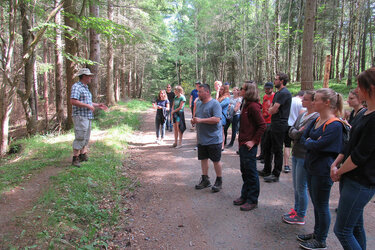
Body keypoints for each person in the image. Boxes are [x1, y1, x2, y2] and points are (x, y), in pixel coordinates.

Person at [331, 67, 375, 250]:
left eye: (359, 86)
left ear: (370, 88)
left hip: (361, 182)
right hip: (349, 177)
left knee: (342, 230)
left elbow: (359, 155)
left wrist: (339, 171)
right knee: (355, 225)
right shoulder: (363, 113)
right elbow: (350, 145)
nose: (356, 90)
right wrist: (336, 163)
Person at [298, 88, 344, 250]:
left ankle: (321, 240)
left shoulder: (335, 125)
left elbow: (321, 145)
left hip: (322, 171)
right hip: (311, 167)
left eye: (316, 99)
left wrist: (311, 142)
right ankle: (316, 233)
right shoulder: (316, 120)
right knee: (316, 204)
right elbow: (304, 138)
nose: (313, 102)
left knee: (321, 205)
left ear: (327, 103)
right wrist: (312, 142)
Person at [282, 91, 319, 225]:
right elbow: (292, 130)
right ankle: (296, 210)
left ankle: (301, 215)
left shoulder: (315, 117)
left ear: (313, 102)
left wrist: (296, 132)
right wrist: (296, 132)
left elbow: (301, 134)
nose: (302, 101)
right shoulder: (303, 114)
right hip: (296, 152)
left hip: (304, 154)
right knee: (296, 185)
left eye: (306, 100)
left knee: (301, 186)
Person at [233, 81, 266, 211]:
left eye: (242, 88)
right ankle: (245, 195)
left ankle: (252, 200)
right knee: (245, 171)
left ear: (248, 91)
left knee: (251, 172)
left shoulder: (253, 106)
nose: (240, 90)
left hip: (249, 146)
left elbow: (262, 125)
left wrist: (253, 141)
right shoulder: (245, 105)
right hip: (243, 144)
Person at [70, 68, 108, 167]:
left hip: (87, 116)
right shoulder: (77, 87)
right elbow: (73, 101)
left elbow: (87, 102)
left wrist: (97, 105)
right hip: (80, 116)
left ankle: (83, 154)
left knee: (86, 136)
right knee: (80, 136)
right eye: (88, 76)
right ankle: (75, 158)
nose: (90, 78)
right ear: (83, 76)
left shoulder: (85, 88)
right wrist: (88, 106)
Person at [259, 73, 292, 183]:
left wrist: (271, 109)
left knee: (277, 149)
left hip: (280, 124)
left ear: (282, 81)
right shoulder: (279, 93)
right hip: (273, 123)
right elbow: (272, 109)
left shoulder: (284, 93)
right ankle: (266, 170)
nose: (274, 81)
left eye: (276, 79)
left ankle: (275, 173)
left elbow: (273, 110)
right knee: (267, 147)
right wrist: (272, 109)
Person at [192, 84, 223, 192]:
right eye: (198, 92)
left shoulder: (215, 104)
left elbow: (217, 119)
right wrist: (194, 120)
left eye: (200, 92)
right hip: (202, 138)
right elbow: (197, 116)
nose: (198, 94)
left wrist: (200, 120)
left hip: (213, 138)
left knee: (216, 160)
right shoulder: (199, 103)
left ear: (207, 92)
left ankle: (219, 180)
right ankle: (205, 179)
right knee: (203, 159)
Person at [283, 91, 305, 173]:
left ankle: (286, 165)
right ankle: (295, 164)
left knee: (287, 145)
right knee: (296, 145)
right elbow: (301, 115)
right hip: (296, 126)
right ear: (302, 96)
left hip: (287, 124)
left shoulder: (290, 100)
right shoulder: (301, 103)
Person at [257, 82, 275, 162]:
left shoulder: (274, 96)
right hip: (263, 120)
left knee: (267, 141)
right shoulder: (264, 96)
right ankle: (262, 154)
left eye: (268, 89)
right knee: (262, 139)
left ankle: (266, 157)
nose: (267, 90)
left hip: (270, 121)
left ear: (272, 88)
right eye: (266, 89)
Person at [217, 84, 230, 150]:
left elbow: (218, 105)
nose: (220, 91)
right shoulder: (220, 98)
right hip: (218, 116)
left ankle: (222, 146)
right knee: (218, 131)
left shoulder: (226, 99)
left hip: (222, 117)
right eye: (220, 89)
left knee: (221, 131)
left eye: (222, 89)